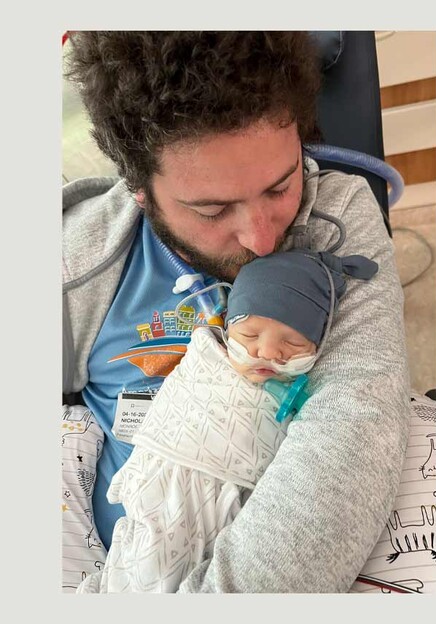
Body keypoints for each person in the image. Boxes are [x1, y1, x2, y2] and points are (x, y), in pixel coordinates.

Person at [61, 31, 412, 592]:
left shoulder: (338, 217)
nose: (264, 239)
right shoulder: (75, 266)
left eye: (280, 187)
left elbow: (355, 421)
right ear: (138, 188)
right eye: (214, 208)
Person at [77, 250, 379, 593]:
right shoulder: (205, 358)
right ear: (227, 324)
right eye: (250, 335)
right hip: (167, 483)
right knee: (143, 562)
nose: (267, 352)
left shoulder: (309, 395)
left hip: (229, 510)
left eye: (293, 343)